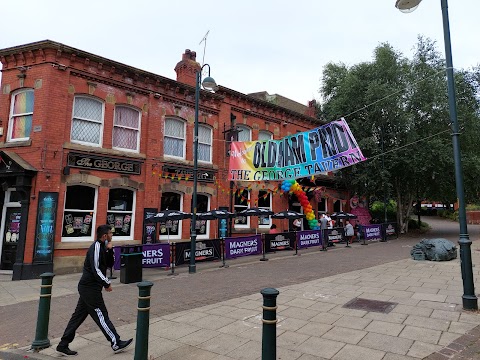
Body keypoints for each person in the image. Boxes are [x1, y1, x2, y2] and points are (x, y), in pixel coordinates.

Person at [56, 225, 132, 356]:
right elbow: (96, 269)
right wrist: (106, 283)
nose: (112, 235)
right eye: (110, 234)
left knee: (77, 317)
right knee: (102, 315)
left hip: (90, 288)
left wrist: (110, 250)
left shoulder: (103, 247)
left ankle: (63, 345)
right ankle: (116, 342)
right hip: (89, 288)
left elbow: (109, 264)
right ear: (104, 236)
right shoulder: (95, 247)